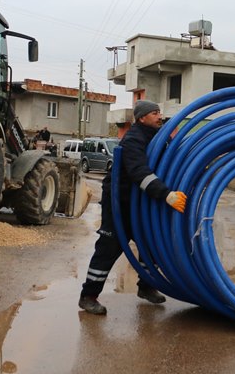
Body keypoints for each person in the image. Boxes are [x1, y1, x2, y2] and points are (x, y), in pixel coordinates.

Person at [78, 100, 187, 315]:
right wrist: (166, 194)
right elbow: (139, 173)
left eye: (159, 113)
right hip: (120, 202)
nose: (159, 116)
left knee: (152, 243)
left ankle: (146, 287)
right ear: (142, 118)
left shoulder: (157, 138)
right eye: (154, 113)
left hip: (140, 202)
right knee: (109, 247)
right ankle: (88, 296)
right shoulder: (133, 140)